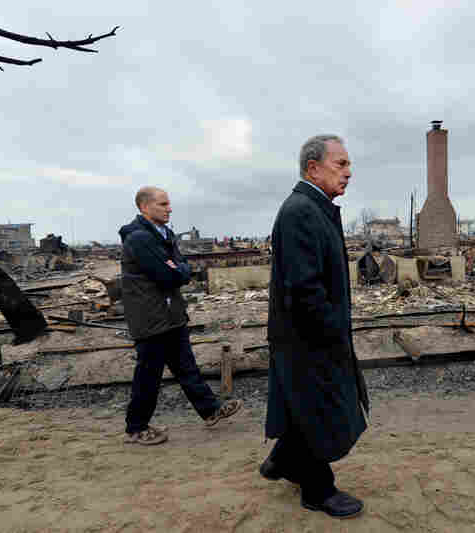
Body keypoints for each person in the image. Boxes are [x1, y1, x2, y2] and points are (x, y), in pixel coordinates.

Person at [260, 135, 370, 518]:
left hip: (310, 333)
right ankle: (317, 489)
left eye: (348, 164)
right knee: (319, 408)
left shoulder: (315, 208)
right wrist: (331, 330)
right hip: (307, 336)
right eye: (340, 164)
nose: (348, 172)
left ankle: (283, 461)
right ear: (312, 168)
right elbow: (304, 287)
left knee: (304, 404)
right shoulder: (301, 211)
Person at [120, 186, 241, 445]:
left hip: (170, 314)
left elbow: (180, 269)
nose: (169, 208)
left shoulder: (164, 235)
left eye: (168, 203)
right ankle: (136, 427)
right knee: (148, 376)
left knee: (186, 367)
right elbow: (168, 275)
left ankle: (210, 410)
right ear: (144, 207)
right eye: (163, 204)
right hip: (151, 318)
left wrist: (178, 269)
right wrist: (177, 270)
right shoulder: (139, 238)